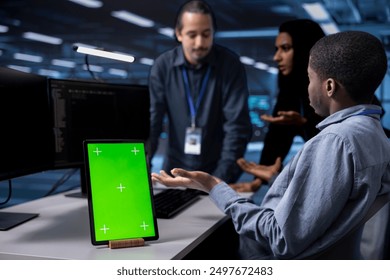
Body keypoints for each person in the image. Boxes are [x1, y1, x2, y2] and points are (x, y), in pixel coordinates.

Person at [151, 31, 390, 259]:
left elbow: (281, 238)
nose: (307, 87)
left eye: (310, 78)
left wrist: (214, 186)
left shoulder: (335, 141)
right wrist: (280, 179)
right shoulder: (373, 134)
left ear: (329, 86)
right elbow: (333, 202)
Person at [148, 0, 252, 184]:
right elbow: (152, 124)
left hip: (217, 169)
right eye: (192, 34)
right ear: (179, 34)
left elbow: (236, 127)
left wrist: (217, 184)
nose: (200, 43)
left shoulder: (230, 65)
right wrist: (141, 168)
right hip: (174, 171)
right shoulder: (163, 66)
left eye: (206, 34)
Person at [231, 19, 325, 192]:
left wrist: (303, 123)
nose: (276, 57)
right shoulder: (292, 88)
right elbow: (276, 139)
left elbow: (342, 137)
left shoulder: (336, 85)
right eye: (276, 50)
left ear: (305, 50)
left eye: (285, 48)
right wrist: (257, 182)